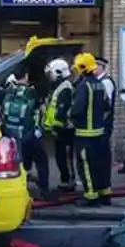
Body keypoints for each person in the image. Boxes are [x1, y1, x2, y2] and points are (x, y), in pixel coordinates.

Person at [1, 66, 49, 199]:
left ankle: (20, 191)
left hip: (13, 135)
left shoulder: (9, 91)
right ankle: (44, 191)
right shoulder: (31, 92)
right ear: (26, 76)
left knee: (20, 163)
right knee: (41, 160)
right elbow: (40, 109)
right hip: (29, 133)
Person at [70, 52, 111, 206]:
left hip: (84, 134)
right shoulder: (100, 83)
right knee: (100, 165)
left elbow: (78, 109)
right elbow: (107, 106)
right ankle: (104, 193)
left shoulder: (83, 86)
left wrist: (71, 117)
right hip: (99, 133)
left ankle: (91, 197)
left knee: (85, 165)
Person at [43, 58, 76, 192]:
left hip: (65, 129)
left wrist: (56, 126)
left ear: (59, 72)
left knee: (65, 156)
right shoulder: (60, 87)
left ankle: (69, 181)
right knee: (60, 156)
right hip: (60, 128)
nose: (50, 77)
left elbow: (62, 108)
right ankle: (65, 179)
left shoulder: (65, 88)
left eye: (51, 74)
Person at [95, 56, 116, 200]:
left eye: (95, 66)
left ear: (101, 67)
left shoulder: (106, 82)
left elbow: (105, 106)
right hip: (100, 125)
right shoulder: (98, 82)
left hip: (103, 125)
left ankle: (104, 189)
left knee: (102, 157)